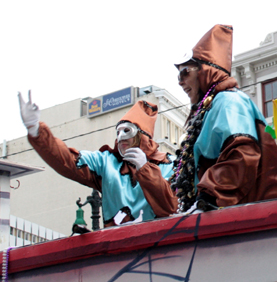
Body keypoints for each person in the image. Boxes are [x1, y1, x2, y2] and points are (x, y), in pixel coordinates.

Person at [169, 24, 277, 213]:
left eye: (185, 72)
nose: (180, 81)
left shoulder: (228, 101)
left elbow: (242, 153)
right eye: (178, 74)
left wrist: (208, 196)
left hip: (252, 217)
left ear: (206, 71)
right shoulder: (209, 108)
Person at [19, 92, 178, 226]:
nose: (121, 136)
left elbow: (170, 207)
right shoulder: (107, 163)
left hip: (159, 250)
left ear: (142, 135)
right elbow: (68, 160)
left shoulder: (170, 164)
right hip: (118, 250)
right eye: (118, 131)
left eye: (127, 130)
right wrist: (36, 131)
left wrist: (146, 170)